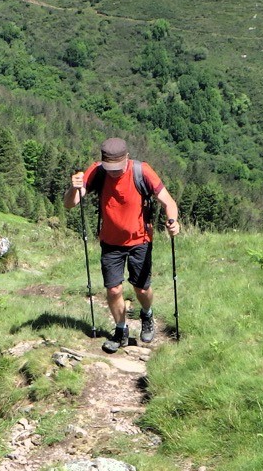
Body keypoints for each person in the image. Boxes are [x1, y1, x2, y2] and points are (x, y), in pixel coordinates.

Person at [64, 137, 180, 353]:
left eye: (117, 168)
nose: (114, 172)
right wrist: (73, 188)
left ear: (127, 158)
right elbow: (70, 204)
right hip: (110, 242)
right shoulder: (97, 172)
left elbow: (168, 202)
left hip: (140, 240)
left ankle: (147, 314)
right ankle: (120, 330)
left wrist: (173, 221)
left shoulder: (142, 171)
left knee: (141, 288)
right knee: (113, 289)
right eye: (110, 168)